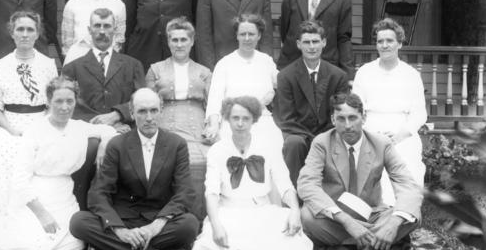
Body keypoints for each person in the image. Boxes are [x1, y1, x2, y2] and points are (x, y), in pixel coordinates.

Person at [0, 77, 117, 250]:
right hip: (36, 195)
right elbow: (20, 180)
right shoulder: (35, 131)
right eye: (58, 101)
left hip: (64, 195)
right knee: (30, 249)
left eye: (69, 101)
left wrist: (104, 144)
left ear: (75, 101)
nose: (64, 107)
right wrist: (42, 215)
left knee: (75, 243)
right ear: (48, 101)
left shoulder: (78, 127)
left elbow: (108, 130)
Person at [69, 88, 199, 250]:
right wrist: (120, 230)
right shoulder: (117, 144)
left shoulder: (177, 144)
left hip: (158, 219)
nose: (149, 118)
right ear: (131, 113)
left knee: (189, 225)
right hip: (123, 218)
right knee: (78, 223)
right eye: (142, 111)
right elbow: (98, 192)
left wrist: (155, 227)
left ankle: (107, 248)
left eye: (154, 110)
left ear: (161, 111)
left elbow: (185, 191)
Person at [297, 92, 422, 250]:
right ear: (333, 120)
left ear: (363, 118)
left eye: (353, 118)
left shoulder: (381, 143)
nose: (347, 125)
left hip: (372, 214)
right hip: (337, 217)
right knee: (308, 217)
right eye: (341, 119)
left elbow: (407, 185)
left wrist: (393, 223)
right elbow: (307, 184)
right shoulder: (322, 143)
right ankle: (386, 247)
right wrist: (347, 222)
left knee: (412, 215)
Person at [190, 96, 313, 250]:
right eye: (235, 118)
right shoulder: (217, 150)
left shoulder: (268, 146)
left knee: (289, 235)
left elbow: (284, 184)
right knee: (212, 238)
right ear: (227, 119)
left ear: (254, 120)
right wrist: (216, 224)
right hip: (229, 212)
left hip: (262, 210)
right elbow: (211, 192)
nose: (240, 124)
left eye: (245, 118)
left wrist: (294, 211)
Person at [0, 11, 58, 225]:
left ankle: (32, 220)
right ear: (12, 33)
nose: (25, 34)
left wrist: (40, 128)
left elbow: (53, 104)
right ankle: (1, 219)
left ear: (37, 34)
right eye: (20, 29)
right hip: (7, 124)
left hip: (40, 122)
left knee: (35, 158)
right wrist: (11, 130)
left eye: (30, 29)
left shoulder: (48, 64)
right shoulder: (1, 65)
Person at [352, 18, 427, 206]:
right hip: (371, 130)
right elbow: (356, 108)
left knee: (407, 161)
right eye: (380, 41)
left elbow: (419, 114)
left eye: (389, 41)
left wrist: (399, 136)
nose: (384, 45)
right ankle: (375, 213)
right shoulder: (364, 72)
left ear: (399, 43)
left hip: (402, 132)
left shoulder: (411, 74)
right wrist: (372, 135)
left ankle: (404, 213)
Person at [145, 17, 212, 218]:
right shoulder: (155, 69)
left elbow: (211, 106)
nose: (179, 44)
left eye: (184, 39)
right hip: (165, 125)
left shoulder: (204, 72)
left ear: (192, 42)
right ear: (168, 42)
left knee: (200, 163)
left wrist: (211, 128)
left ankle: (197, 220)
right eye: (174, 40)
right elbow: (148, 103)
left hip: (196, 127)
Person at [274, 20, 349, 187]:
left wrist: (322, 137)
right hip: (298, 133)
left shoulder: (338, 76)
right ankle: (295, 193)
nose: (311, 47)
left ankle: (335, 192)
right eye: (306, 42)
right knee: (293, 144)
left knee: (338, 141)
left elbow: (339, 113)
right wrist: (312, 139)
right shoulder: (286, 76)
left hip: (328, 131)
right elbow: (287, 119)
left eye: (315, 41)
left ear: (324, 42)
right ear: (298, 44)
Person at [203, 14, 282, 146]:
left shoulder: (266, 61)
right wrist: (214, 125)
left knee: (274, 144)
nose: (247, 38)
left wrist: (271, 94)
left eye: (251, 34)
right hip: (232, 121)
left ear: (259, 36)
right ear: (237, 36)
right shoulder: (224, 63)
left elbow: (283, 84)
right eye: (242, 34)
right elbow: (215, 100)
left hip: (261, 119)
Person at [62, 8, 145, 130]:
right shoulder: (72, 69)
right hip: (86, 133)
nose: (102, 31)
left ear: (114, 30)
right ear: (89, 30)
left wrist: (118, 115)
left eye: (107, 26)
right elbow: (68, 104)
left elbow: (142, 100)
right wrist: (105, 126)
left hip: (125, 133)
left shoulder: (133, 66)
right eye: (97, 26)